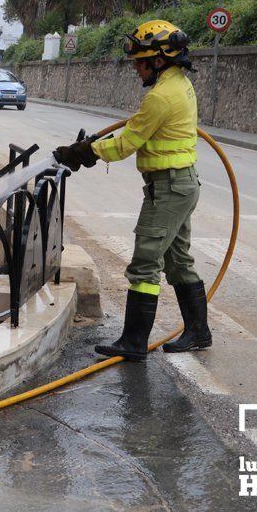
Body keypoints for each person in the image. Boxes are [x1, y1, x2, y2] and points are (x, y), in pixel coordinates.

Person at [55, 20, 210, 362]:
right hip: (181, 185)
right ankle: (198, 331)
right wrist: (89, 148)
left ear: (158, 60)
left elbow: (126, 143)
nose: (136, 69)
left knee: (144, 264)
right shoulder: (179, 84)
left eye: (140, 62)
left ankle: (134, 341)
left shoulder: (161, 97)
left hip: (169, 189)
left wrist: (82, 152)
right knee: (178, 260)